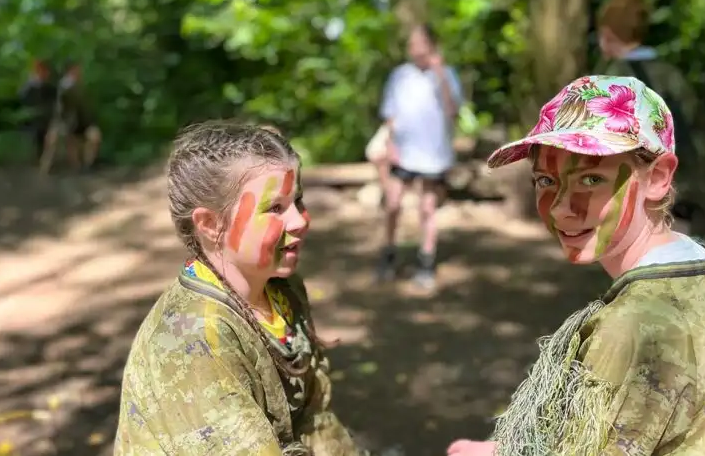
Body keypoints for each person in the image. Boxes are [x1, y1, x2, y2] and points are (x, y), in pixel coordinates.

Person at [446, 76, 705, 456]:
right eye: (545, 180)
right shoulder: (697, 281)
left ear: (657, 177)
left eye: (592, 178)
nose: (560, 207)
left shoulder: (631, 330)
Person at [114, 121, 364, 455]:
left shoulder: (282, 287)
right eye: (275, 208)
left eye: (298, 201)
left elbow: (315, 418)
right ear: (210, 224)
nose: (300, 220)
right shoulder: (195, 339)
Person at [596, 0, 705, 233]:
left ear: (607, 35)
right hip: (674, 177)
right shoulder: (669, 72)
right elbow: (692, 118)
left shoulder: (613, 77)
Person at [377, 23, 463, 290]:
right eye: (411, 43)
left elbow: (452, 111)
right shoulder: (399, 75)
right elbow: (390, 114)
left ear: (431, 45)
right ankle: (389, 254)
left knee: (427, 208)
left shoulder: (447, 74)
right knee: (393, 203)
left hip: (433, 153)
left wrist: (439, 72)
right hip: (404, 151)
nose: (414, 48)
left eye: (419, 43)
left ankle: (426, 260)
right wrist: (390, 144)